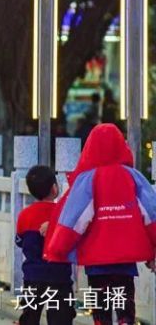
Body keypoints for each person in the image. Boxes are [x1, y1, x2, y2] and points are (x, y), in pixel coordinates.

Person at [45, 124, 156, 325]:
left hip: (97, 261)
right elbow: (151, 214)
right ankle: (124, 321)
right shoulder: (134, 177)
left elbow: (75, 219)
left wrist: (58, 249)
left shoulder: (88, 180)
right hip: (126, 258)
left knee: (101, 305)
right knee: (124, 302)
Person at [15, 165, 75, 325]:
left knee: (29, 317)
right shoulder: (62, 214)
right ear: (55, 188)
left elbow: (19, 241)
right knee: (61, 318)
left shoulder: (24, 215)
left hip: (32, 275)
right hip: (59, 275)